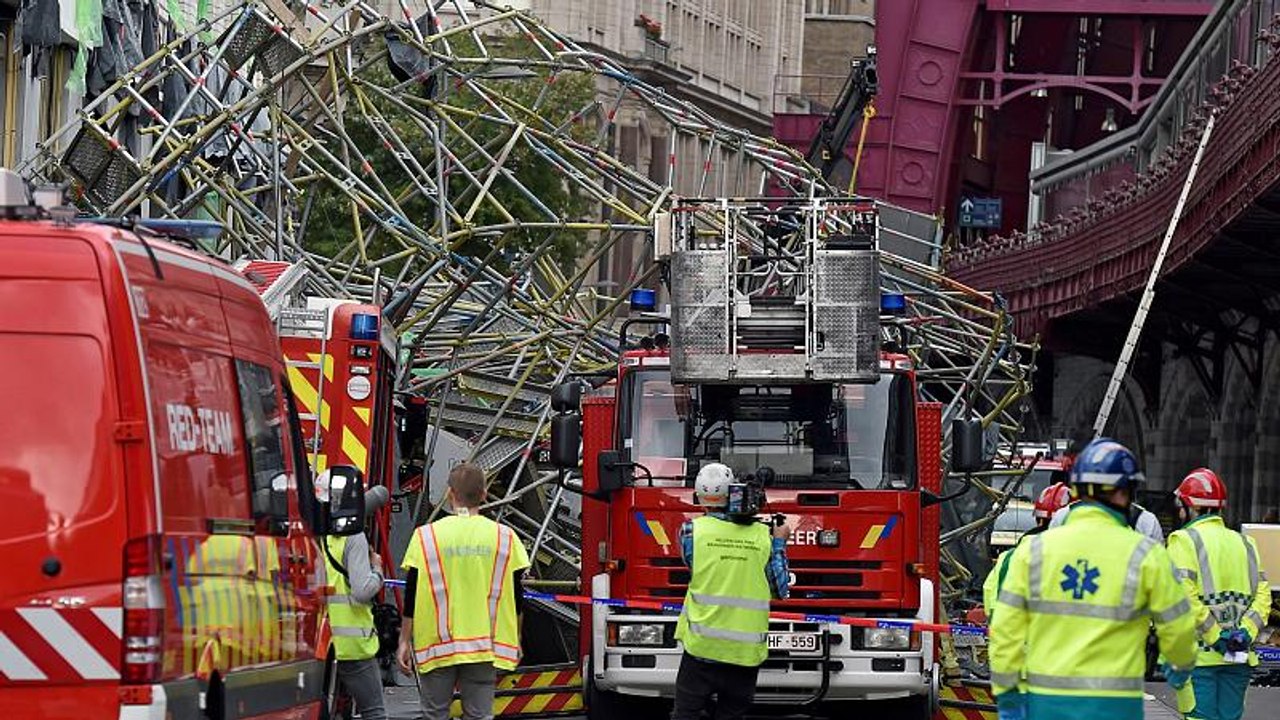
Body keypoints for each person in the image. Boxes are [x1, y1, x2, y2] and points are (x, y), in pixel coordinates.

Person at [988, 438, 1196, 720]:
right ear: (1124, 493)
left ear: (1076, 489)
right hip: (1115, 707)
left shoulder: (1032, 552)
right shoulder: (1147, 556)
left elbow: (1005, 633)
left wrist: (1009, 696)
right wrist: (1179, 666)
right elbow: (1178, 626)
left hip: (1047, 705)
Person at [397, 463, 531, 720]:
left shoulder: (426, 537)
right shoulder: (505, 538)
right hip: (484, 646)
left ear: (450, 493)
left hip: (437, 645)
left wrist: (404, 640)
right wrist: (516, 638)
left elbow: (411, 594)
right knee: (479, 716)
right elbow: (517, 598)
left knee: (434, 715)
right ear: (484, 494)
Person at [671, 463, 791, 720]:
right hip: (743, 656)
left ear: (699, 497)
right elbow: (780, 590)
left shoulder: (691, 532)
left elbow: (697, 568)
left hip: (701, 650)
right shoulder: (763, 536)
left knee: (686, 714)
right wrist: (779, 542)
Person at [1166, 468, 1272, 720]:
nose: (1179, 513)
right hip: (1238, 655)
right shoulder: (1246, 543)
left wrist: (1216, 636)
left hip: (1198, 657)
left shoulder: (1182, 540)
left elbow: (1183, 597)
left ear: (1191, 506)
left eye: (1181, 506)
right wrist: (1245, 632)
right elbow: (1263, 596)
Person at [319, 470, 388, 720]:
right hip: (352, 645)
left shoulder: (315, 533)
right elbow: (362, 591)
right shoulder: (353, 537)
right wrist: (377, 569)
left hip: (321, 644)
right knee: (374, 712)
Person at [983, 482, 1072, 621]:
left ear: (1038, 520)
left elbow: (991, 598)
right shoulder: (1074, 558)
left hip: (1006, 629)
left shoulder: (1009, 557)